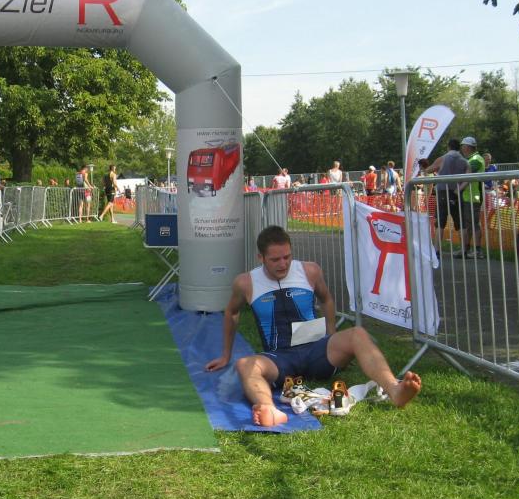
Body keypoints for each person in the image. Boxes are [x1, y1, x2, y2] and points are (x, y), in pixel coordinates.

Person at [205, 226, 421, 427]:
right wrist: (226, 355)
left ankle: (395, 390)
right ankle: (268, 408)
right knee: (245, 364)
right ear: (260, 257)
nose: (283, 264)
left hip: (317, 352)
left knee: (358, 333)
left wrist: (331, 335)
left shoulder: (310, 271)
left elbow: (326, 299)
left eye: (287, 257)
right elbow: (231, 312)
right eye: (275, 259)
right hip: (279, 359)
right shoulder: (245, 283)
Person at [423, 138, 469, 256]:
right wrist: (459, 189)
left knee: (440, 222)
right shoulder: (465, 161)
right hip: (456, 193)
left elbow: (428, 170)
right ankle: (464, 250)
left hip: (443, 192)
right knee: (460, 222)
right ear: (459, 148)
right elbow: (468, 178)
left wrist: (424, 166)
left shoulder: (442, 159)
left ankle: (436, 250)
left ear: (448, 147)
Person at [458, 136, 485, 259]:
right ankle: (466, 249)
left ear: (468, 147)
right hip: (468, 196)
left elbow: (464, 173)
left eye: (462, 146)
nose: (461, 149)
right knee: (469, 224)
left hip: (474, 197)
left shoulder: (476, 159)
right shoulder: (471, 159)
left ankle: (478, 251)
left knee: (474, 224)